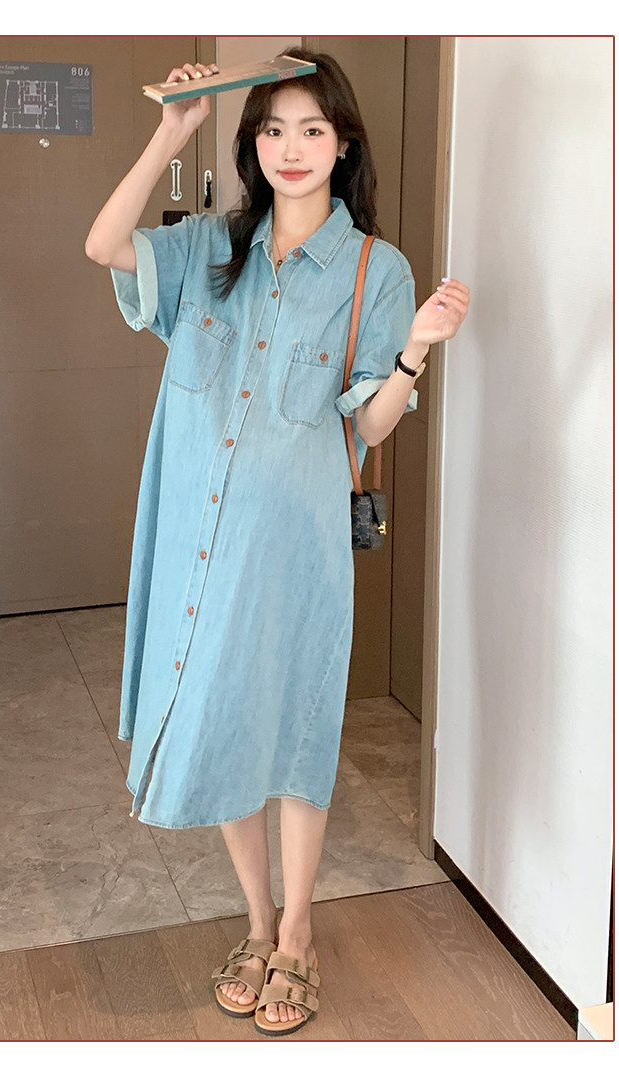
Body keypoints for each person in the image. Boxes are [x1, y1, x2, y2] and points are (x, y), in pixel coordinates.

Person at [85, 46, 469, 1037]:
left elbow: (369, 426)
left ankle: (297, 932)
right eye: (271, 129)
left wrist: (414, 350)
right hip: (196, 536)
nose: (290, 147)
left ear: (343, 145)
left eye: (312, 128)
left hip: (295, 544)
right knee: (221, 721)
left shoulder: (377, 268)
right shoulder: (212, 246)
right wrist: (171, 131)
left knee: (294, 732)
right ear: (252, 144)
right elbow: (103, 243)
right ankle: (256, 922)